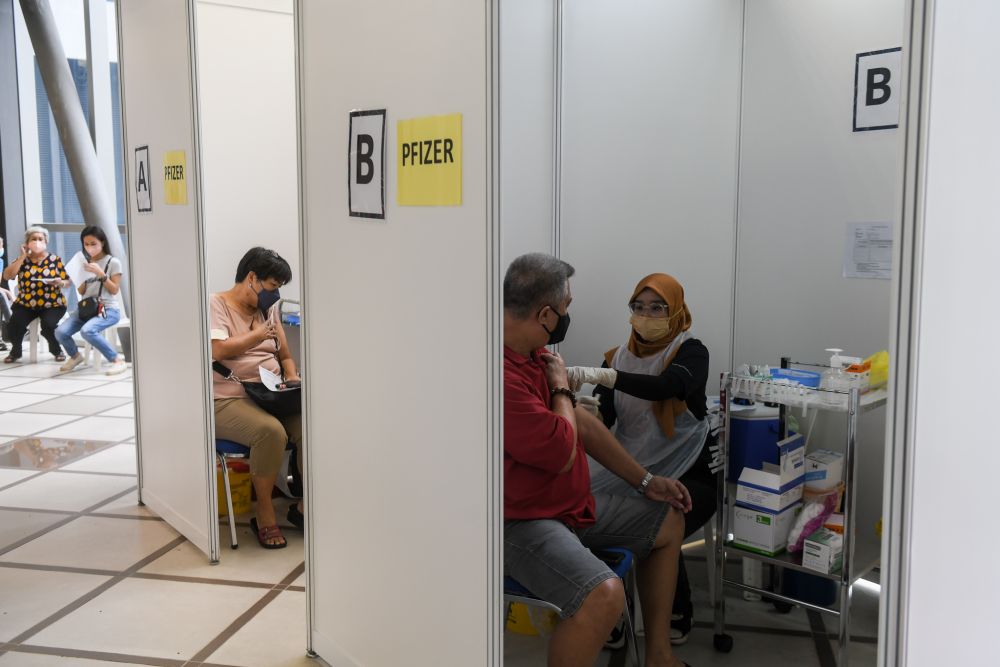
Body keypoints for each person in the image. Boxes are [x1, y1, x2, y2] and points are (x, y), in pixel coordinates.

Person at [504, 253, 692, 667]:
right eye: (566, 307)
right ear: (546, 314)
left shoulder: (535, 354)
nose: (567, 316)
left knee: (668, 518)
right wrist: (561, 389)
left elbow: (584, 427)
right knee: (603, 597)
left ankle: (659, 657)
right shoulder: (499, 374)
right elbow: (560, 452)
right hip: (521, 522)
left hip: (567, 506)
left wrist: (646, 482)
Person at [567, 273, 719, 646]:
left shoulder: (690, 351)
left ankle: (675, 610)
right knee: (587, 509)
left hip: (690, 468)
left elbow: (668, 386)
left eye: (657, 308)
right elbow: (607, 416)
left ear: (676, 311)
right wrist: (591, 412)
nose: (646, 316)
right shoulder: (617, 358)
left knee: (666, 515)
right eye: (638, 307)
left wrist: (606, 376)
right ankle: (611, 610)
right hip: (633, 466)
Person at [210, 247, 302, 549]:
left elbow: (285, 356)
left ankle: (304, 507)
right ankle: (264, 512)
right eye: (273, 285)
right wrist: (259, 335)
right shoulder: (216, 304)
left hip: (270, 394)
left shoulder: (267, 311)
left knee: (313, 425)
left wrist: (291, 377)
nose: (275, 294)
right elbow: (217, 350)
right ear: (252, 278)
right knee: (270, 432)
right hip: (228, 397)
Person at [55, 226, 128, 375]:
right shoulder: (85, 263)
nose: (89, 247)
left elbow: (114, 290)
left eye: (93, 243)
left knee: (87, 330)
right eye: (86, 244)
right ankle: (75, 356)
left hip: (107, 309)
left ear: (102, 242)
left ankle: (117, 360)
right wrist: (78, 276)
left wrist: (101, 274)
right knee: (60, 332)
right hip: (86, 309)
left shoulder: (113, 262)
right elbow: (82, 292)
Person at [1, 226, 70, 364]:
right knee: (14, 324)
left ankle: (56, 350)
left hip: (52, 303)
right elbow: (7, 276)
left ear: (45, 242)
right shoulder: (22, 260)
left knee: (49, 325)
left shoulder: (55, 260)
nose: (37, 242)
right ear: (27, 243)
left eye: (40, 239)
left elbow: (67, 281)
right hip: (26, 303)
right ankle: (16, 351)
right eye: (33, 239)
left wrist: (60, 283)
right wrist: (23, 256)